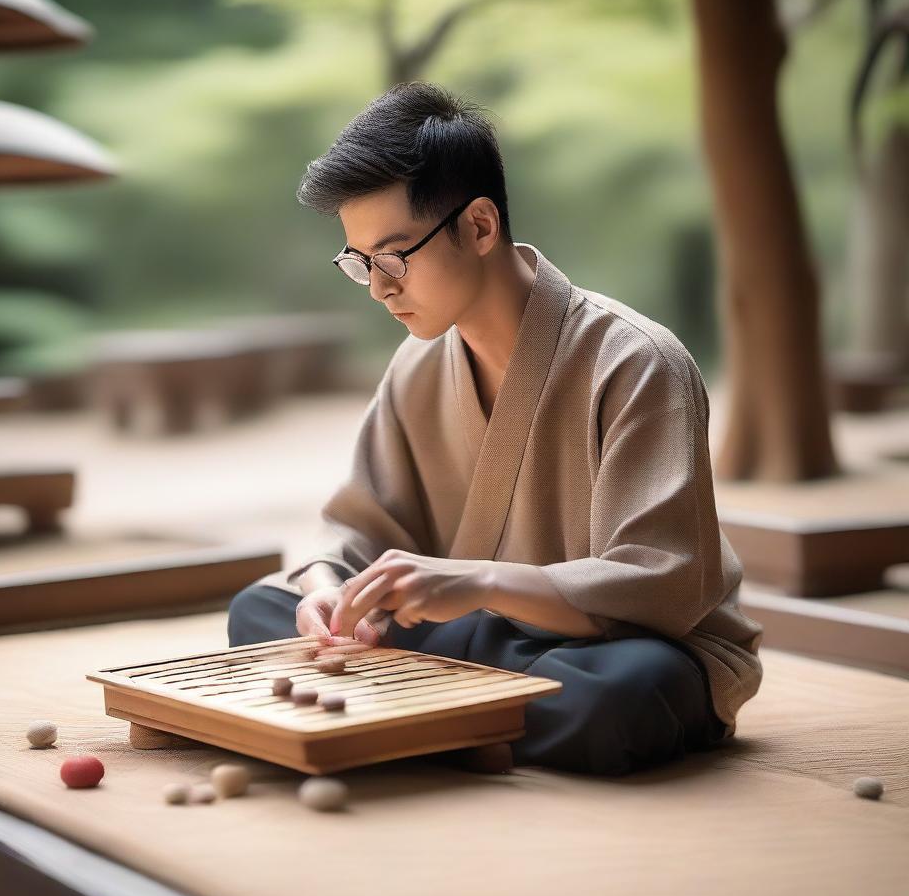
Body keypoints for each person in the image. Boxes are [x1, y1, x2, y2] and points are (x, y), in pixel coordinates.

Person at [227, 81, 764, 776]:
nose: (380, 288)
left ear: (479, 226)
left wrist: (480, 582)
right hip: (469, 639)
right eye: (358, 263)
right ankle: (464, 715)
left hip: (599, 649)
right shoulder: (416, 366)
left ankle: (416, 708)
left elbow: (659, 585)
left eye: (392, 257)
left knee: (623, 695)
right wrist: (330, 586)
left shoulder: (635, 359)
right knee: (260, 608)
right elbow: (361, 526)